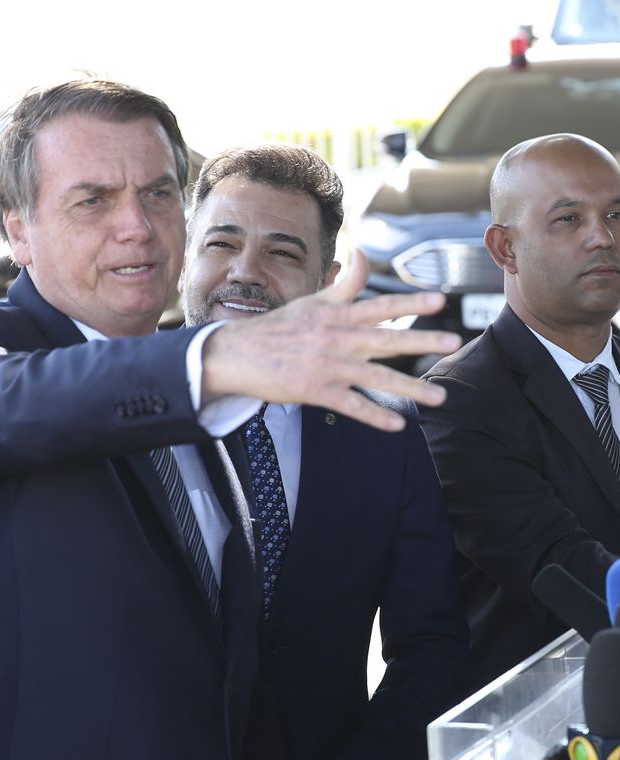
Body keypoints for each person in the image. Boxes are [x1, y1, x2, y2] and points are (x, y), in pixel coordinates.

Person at [0, 79, 461, 758]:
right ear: (19, 230)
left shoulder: (201, 412)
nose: (137, 227)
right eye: (93, 199)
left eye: (157, 194)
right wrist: (213, 361)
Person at [180, 143, 470, 759]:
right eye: (221, 243)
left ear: (328, 283)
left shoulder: (383, 429)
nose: (245, 271)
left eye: (282, 252)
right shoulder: (119, 415)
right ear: (185, 254)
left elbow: (431, 645)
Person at [419, 133, 620, 689]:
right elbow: (561, 571)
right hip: (548, 713)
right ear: (504, 249)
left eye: (616, 215)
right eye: (568, 219)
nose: (602, 237)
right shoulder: (459, 402)